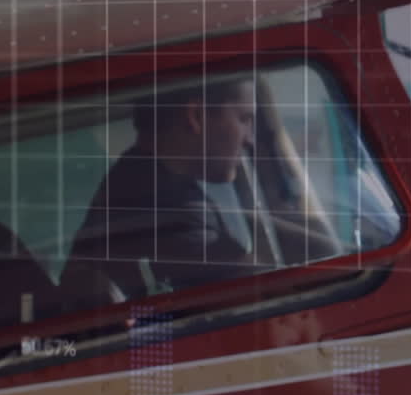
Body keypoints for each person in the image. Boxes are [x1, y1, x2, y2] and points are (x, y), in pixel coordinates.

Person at [58, 77, 261, 310]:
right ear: (196, 116)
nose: (250, 139)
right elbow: (258, 290)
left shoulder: (140, 181)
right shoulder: (159, 204)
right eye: (245, 119)